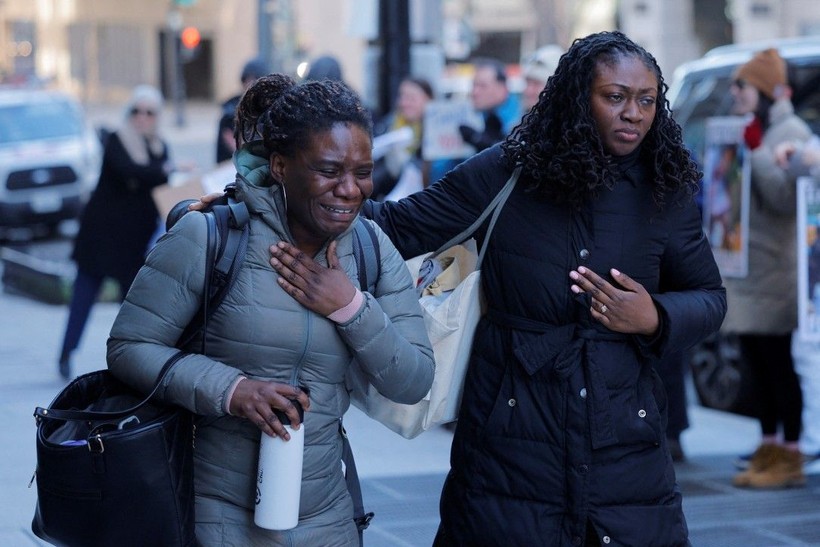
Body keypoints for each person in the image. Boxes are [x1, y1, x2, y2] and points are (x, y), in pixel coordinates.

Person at [357, 30, 726, 545]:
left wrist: (655, 318)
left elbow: (710, 299)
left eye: (646, 100)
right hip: (509, 437)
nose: (634, 114)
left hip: (623, 445)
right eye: (615, 97)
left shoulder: (664, 190)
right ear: (580, 97)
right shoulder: (508, 171)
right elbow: (396, 226)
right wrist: (276, 202)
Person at [106, 74, 435, 545]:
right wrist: (232, 389)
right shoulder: (210, 237)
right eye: (328, 170)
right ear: (280, 165)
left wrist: (351, 307)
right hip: (213, 515)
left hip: (329, 518)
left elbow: (415, 380)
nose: (350, 190)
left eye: (362, 172)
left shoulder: (369, 248)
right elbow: (128, 346)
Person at [721, 48, 813, 489]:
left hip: (775, 270)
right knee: (755, 364)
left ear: (763, 91)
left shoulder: (790, 131)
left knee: (777, 363)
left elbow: (780, 196)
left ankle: (790, 454)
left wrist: (755, 150)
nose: (735, 93)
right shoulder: (754, 129)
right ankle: (769, 445)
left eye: (742, 86)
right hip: (748, 267)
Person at [57, 84, 174, 380]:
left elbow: (159, 188)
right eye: (136, 110)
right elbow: (130, 172)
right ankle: (66, 353)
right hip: (101, 236)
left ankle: (128, 361)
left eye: (149, 112)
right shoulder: (117, 140)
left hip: (133, 242)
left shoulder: (160, 148)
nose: (142, 117)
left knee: (132, 309)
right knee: (83, 298)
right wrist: (167, 170)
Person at [372, 76, 435, 198]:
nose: (404, 103)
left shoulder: (437, 134)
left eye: (411, 98)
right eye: (402, 96)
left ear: (429, 100)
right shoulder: (387, 126)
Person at [215, 57, 268, 164]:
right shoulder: (229, 114)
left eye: (255, 81)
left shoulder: (271, 112)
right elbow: (222, 157)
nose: (250, 86)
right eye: (247, 80)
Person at [520, 44, 563, 112]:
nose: (529, 91)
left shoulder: (576, 121)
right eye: (527, 83)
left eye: (536, 83)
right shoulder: (520, 120)